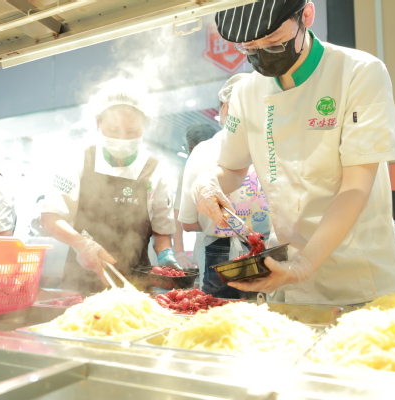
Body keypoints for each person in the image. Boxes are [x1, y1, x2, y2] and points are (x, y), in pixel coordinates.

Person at [193, 0, 395, 306]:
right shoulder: (246, 91)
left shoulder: (358, 72)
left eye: (274, 42)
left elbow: (355, 187)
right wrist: (208, 183)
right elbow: (232, 169)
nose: (261, 53)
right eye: (249, 48)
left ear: (306, 15)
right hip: (286, 275)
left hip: (359, 276)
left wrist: (305, 264)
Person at [40, 79, 180, 293]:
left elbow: (161, 230)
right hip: (82, 278)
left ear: (145, 126)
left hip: (137, 281)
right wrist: (82, 244)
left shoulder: (155, 169)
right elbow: (50, 218)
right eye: (113, 130)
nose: (122, 137)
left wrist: (166, 254)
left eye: (131, 131)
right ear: (98, 123)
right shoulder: (78, 159)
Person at [179, 74, 270, 299]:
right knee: (267, 310)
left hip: (220, 252)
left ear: (225, 108)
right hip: (271, 247)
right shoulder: (275, 146)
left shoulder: (203, 150)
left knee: (219, 312)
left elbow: (188, 223)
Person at [173, 124, 218, 272]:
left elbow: (185, 223)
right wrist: (179, 251)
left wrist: (179, 251)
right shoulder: (237, 164)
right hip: (210, 241)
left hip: (210, 242)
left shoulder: (190, 170)